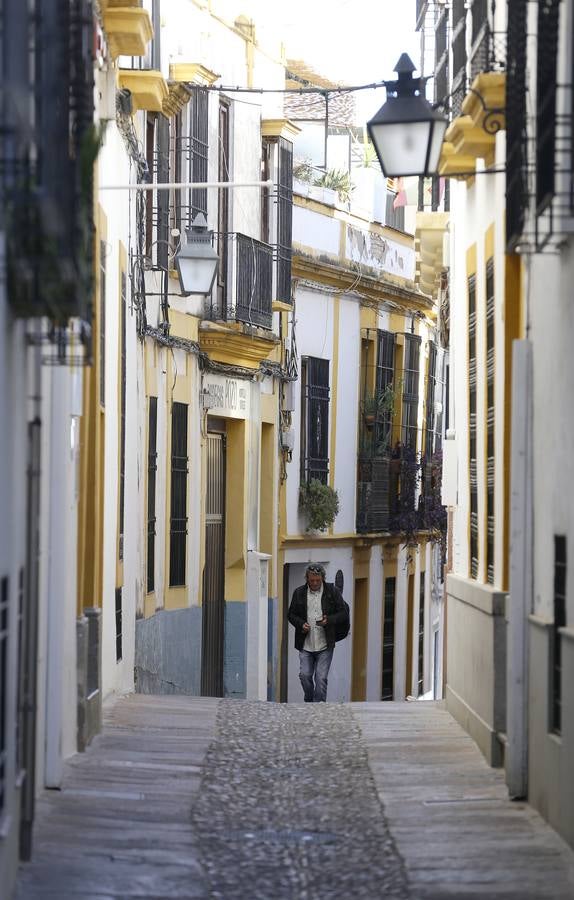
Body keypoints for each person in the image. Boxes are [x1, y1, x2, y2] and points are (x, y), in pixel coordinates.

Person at [287, 563, 347, 703]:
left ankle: (319, 706)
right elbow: (291, 614)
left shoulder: (332, 592)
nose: (314, 583)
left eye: (318, 580)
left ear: (323, 578)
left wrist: (329, 620)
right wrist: (301, 624)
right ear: (307, 579)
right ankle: (309, 700)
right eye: (312, 580)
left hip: (325, 644)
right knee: (304, 675)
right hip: (306, 643)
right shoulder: (299, 593)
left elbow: (343, 613)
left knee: (321, 678)